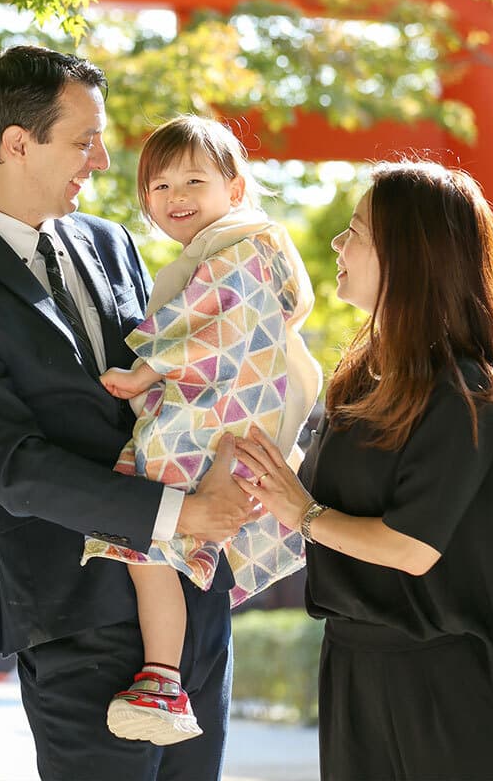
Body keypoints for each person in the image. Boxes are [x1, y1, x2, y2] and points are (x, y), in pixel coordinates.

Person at [0, 46, 258, 781]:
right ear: (18, 143)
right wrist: (184, 513)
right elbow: (13, 466)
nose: (105, 161)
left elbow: (179, 381)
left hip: (194, 604)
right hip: (77, 615)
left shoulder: (113, 242)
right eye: (85, 139)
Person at [233, 159, 493, 781]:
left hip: (446, 687)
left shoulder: (465, 390)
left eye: (357, 232)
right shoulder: (357, 378)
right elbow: (306, 499)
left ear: (411, 253)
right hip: (350, 666)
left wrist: (305, 514)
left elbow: (411, 546)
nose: (339, 244)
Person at [81, 115, 321, 745]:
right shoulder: (234, 248)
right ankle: (163, 676)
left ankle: (162, 675)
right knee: (157, 540)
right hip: (233, 412)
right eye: (159, 187)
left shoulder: (240, 251)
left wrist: (143, 372)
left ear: (236, 189)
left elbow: (211, 326)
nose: (176, 197)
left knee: (142, 520)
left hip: (226, 414)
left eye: (195, 180)